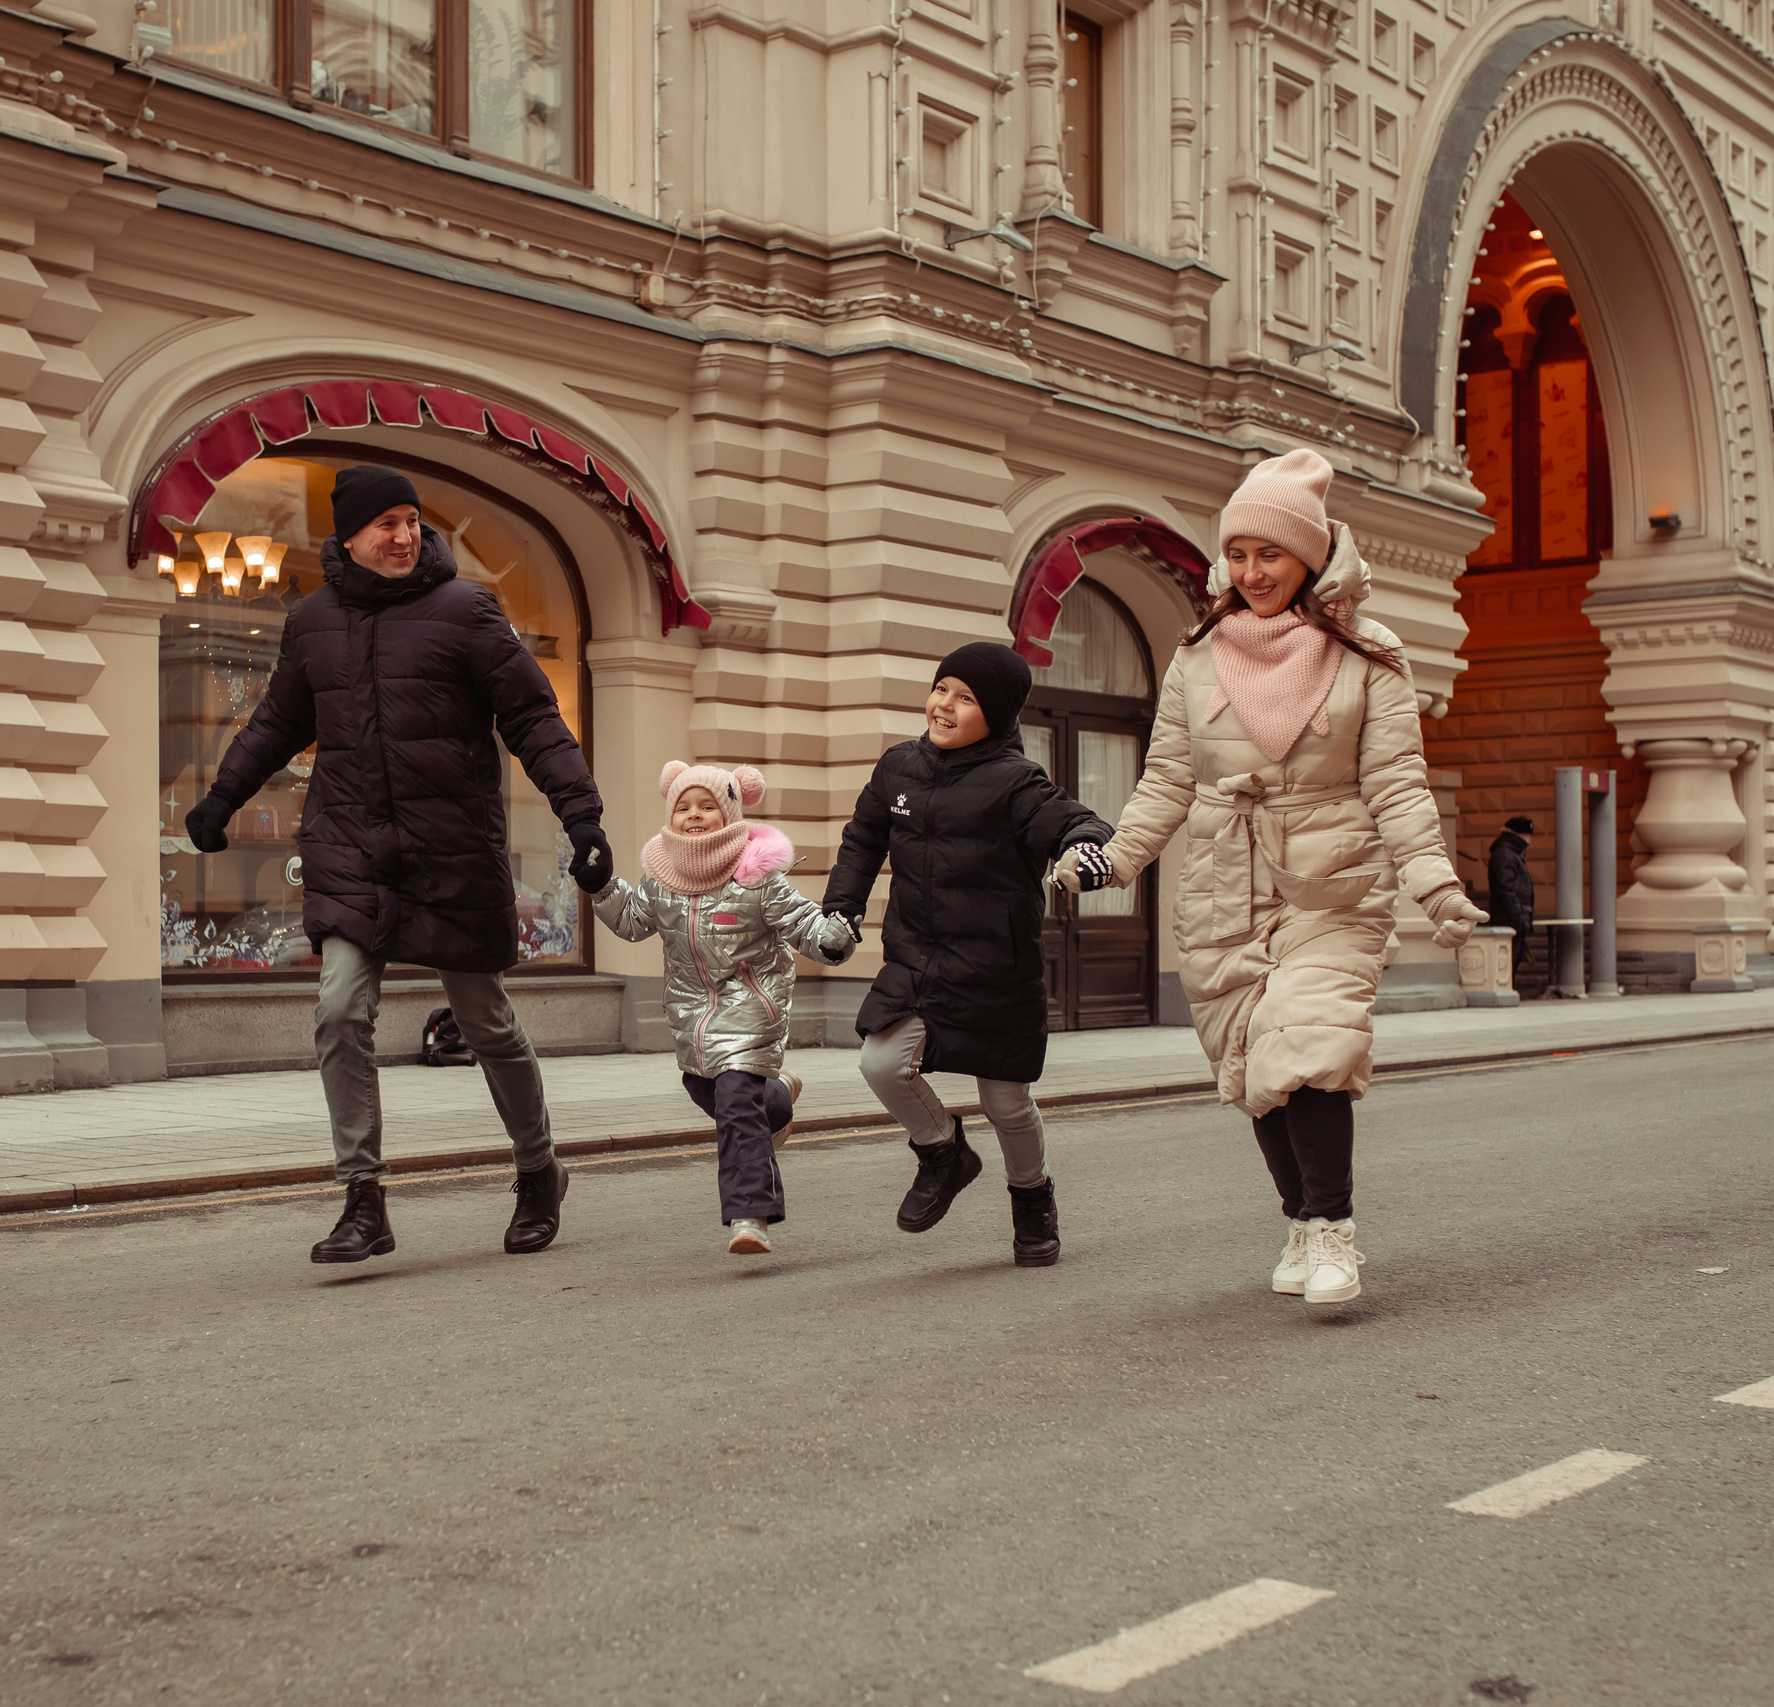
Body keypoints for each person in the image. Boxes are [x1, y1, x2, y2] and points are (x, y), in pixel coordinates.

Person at [1058, 449, 1486, 1305]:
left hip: (1332, 880)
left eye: (1273, 554)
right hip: (1223, 881)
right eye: (1241, 553)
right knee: (1254, 1057)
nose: (1253, 572)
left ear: (1312, 556)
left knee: (1312, 1039)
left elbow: (1396, 782)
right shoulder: (1197, 655)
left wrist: (1433, 883)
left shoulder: (1371, 655)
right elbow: (1168, 778)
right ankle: (1298, 1216)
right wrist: (1117, 857)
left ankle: (1334, 1232)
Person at [185, 464, 613, 1265]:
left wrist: (580, 815)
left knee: (485, 1022)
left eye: (412, 521)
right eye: (386, 523)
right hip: (351, 846)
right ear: (348, 535)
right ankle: (363, 1199)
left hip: (450, 848)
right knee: (340, 1009)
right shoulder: (312, 620)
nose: (404, 535)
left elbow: (532, 716)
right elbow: (279, 720)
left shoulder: (466, 609)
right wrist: (223, 797)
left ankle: (537, 1169)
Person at [822, 642, 1114, 1267]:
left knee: (1005, 1103)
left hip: (996, 967)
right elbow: (862, 840)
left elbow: (1075, 822)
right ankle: (943, 1151)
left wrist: (1086, 850)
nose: (945, 705)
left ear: (998, 714)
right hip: (915, 957)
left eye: (966, 698)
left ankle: (1032, 1199)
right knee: (880, 1062)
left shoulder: (1016, 781)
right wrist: (841, 912)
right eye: (942, 689)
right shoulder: (897, 767)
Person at [592, 761, 855, 1255]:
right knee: (707, 1091)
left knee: (736, 1106)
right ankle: (777, 1095)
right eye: (684, 807)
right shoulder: (662, 879)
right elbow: (631, 922)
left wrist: (835, 936)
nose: (694, 816)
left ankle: (750, 1215)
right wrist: (602, 885)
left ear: (730, 812)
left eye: (707, 807)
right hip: (691, 1016)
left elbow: (804, 925)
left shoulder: (758, 879)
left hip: (749, 1008)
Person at [1487, 815, 1536, 964]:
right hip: (1510, 919)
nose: (1529, 838)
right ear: (1518, 835)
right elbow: (1506, 889)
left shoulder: (1509, 854)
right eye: (1526, 834)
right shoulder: (1506, 855)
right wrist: (1517, 917)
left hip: (1512, 918)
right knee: (1509, 961)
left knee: (1512, 960)